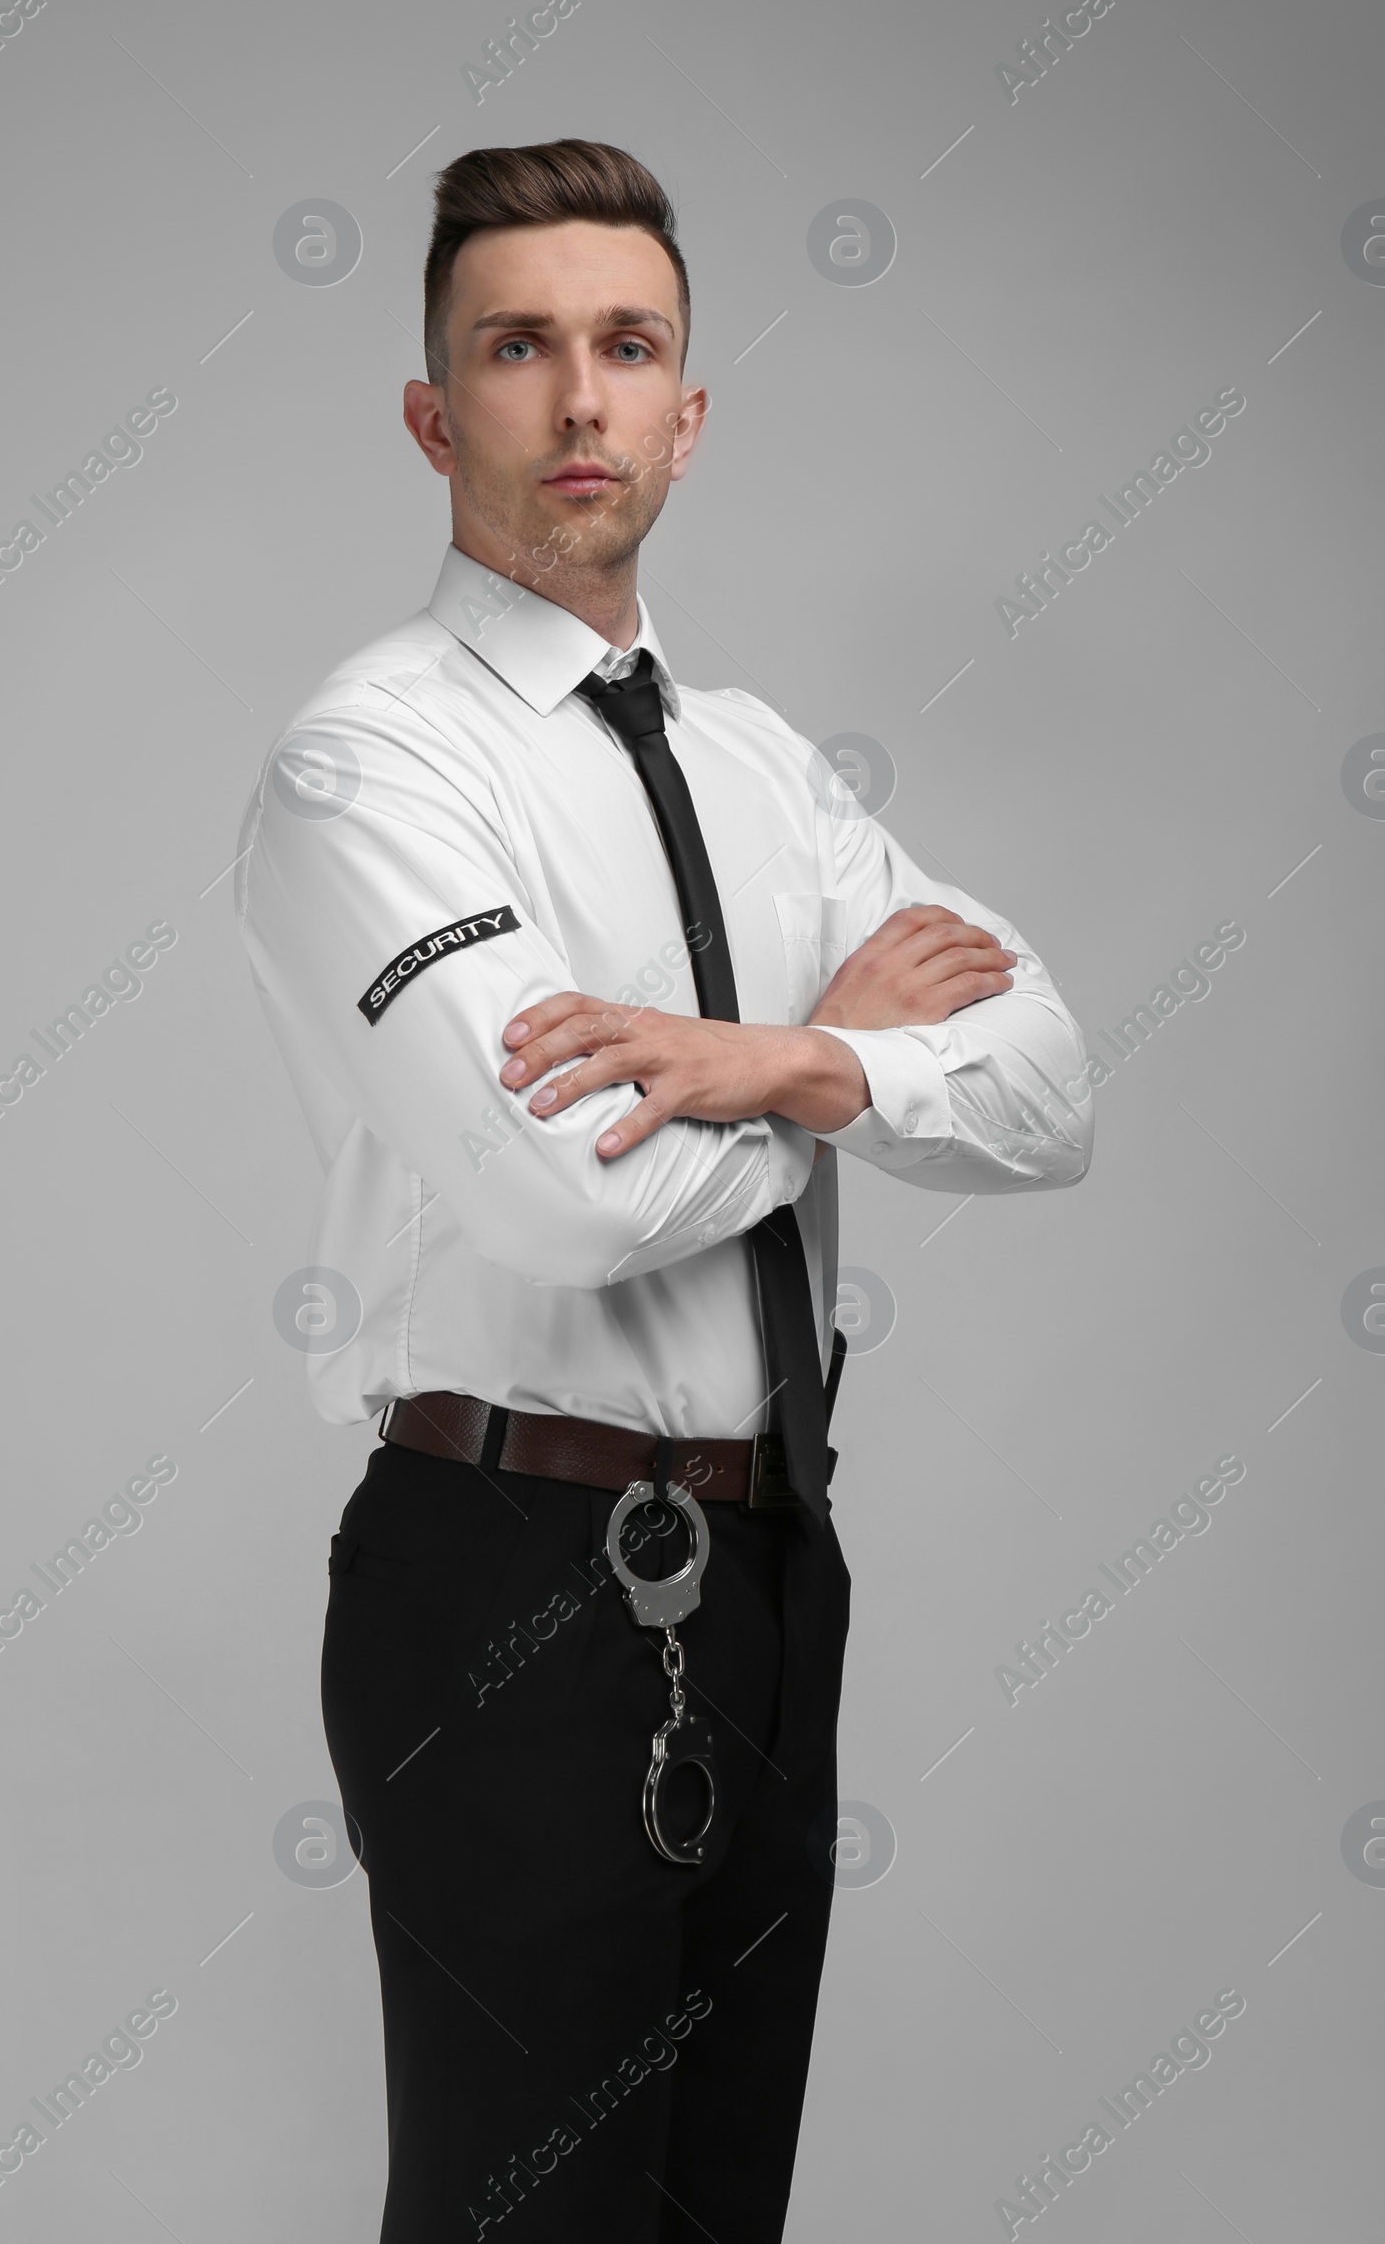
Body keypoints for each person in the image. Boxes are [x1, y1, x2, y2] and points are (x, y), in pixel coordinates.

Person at [237, 138, 1093, 2242]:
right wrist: (841, 1073)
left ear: (688, 414)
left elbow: (1048, 1087)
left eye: (626, 347)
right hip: (508, 1577)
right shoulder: (370, 765)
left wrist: (764, 1054)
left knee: (715, 2219)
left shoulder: (761, 766)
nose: (578, 398)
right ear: (435, 416)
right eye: (515, 349)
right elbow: (561, 1200)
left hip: (771, 1575)